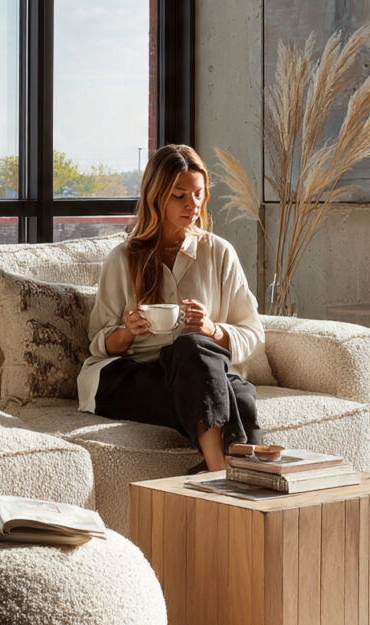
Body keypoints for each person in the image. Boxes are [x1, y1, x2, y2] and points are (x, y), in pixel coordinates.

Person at [76, 144, 263, 472]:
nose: (193, 205)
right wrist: (126, 332)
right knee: (239, 397)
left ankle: (213, 471)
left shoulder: (218, 253)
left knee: (192, 348)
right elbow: (97, 342)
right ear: (156, 196)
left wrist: (211, 329)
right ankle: (224, 471)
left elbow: (252, 333)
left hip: (198, 371)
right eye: (180, 195)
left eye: (199, 194)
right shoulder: (122, 259)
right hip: (131, 377)